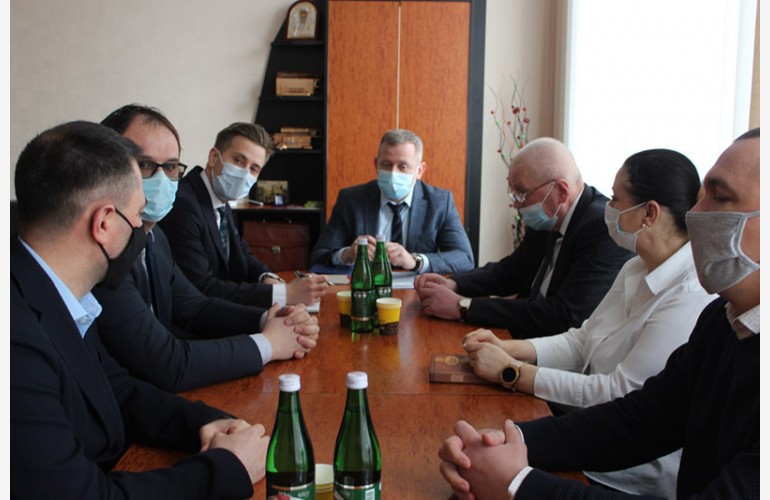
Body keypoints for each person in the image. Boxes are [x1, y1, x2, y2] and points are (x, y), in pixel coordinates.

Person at [438, 129, 760, 499]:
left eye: (721, 197)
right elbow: (642, 420)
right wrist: (507, 442)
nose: (694, 214)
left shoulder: (697, 300)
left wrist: (517, 484)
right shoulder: (722, 319)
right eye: (702, 197)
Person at [11, 120, 267, 498]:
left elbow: (118, 390)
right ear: (103, 223)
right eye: (137, 215)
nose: (143, 229)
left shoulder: (58, 290)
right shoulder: (15, 340)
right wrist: (227, 468)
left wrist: (207, 422)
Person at [93, 105, 319, 392]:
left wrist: (270, 318)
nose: (161, 180)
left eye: (170, 167)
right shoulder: (105, 250)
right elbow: (165, 362)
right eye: (145, 165)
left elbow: (195, 305)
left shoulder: (154, 235)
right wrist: (268, 343)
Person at [416, 137, 633, 338]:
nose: (516, 204)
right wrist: (455, 283)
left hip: (558, 351)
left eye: (522, 193)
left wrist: (462, 306)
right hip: (525, 337)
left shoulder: (602, 229)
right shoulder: (549, 214)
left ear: (561, 191)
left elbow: (564, 315)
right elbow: (513, 270)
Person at [159, 122, 329, 308]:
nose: (244, 173)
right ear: (214, 157)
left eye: (254, 168)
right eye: (238, 160)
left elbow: (243, 255)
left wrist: (268, 278)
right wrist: (284, 294)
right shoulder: (183, 204)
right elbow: (201, 287)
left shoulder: (220, 200)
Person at [309, 128, 475, 274]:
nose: (393, 173)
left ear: (420, 170)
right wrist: (347, 255)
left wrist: (416, 261)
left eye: (403, 166)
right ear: (376, 165)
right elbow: (318, 256)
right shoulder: (351, 200)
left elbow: (464, 258)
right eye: (386, 165)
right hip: (367, 291)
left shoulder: (439, 202)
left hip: (417, 292)